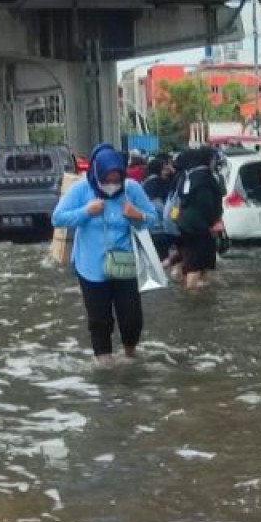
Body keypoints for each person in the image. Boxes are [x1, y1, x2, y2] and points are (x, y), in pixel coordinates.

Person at [53, 144, 159, 364]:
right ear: (97, 174)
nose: (112, 184)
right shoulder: (81, 190)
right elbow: (58, 218)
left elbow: (155, 219)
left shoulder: (132, 190)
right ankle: (105, 370)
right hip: (91, 268)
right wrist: (85, 212)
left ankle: (130, 356)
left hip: (124, 265)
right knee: (99, 321)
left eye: (116, 179)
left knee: (132, 320)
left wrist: (136, 214)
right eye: (107, 179)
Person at [174, 147, 224, 289]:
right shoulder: (205, 178)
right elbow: (207, 204)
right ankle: (193, 294)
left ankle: (190, 291)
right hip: (201, 227)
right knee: (199, 264)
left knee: (190, 261)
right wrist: (213, 223)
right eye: (214, 159)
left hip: (184, 225)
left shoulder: (186, 176)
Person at [142, 156, 176, 261]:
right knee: (163, 258)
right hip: (160, 228)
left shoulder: (145, 182)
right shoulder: (160, 183)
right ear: (158, 169)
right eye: (164, 169)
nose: (166, 171)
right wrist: (172, 218)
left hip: (148, 228)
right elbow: (163, 206)